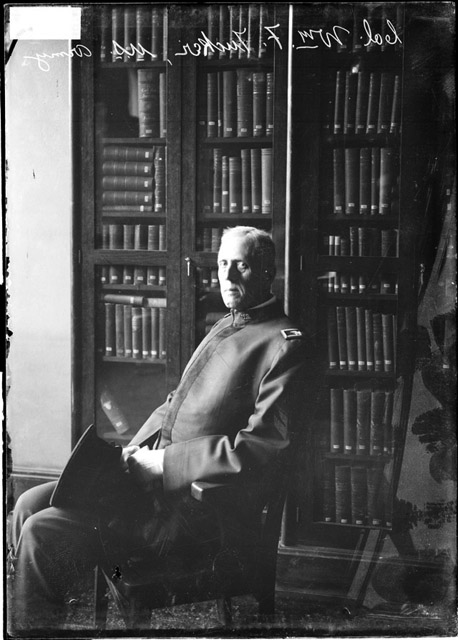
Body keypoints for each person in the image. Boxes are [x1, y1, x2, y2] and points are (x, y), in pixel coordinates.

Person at [10, 226, 316, 631]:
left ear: (267, 272)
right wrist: (133, 454)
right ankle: (38, 618)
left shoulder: (285, 345)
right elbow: (175, 404)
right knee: (28, 503)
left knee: (41, 530)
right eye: (223, 264)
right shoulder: (225, 325)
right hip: (153, 488)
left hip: (198, 512)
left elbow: (262, 448)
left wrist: (162, 463)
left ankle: (32, 630)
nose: (227, 276)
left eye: (241, 266)